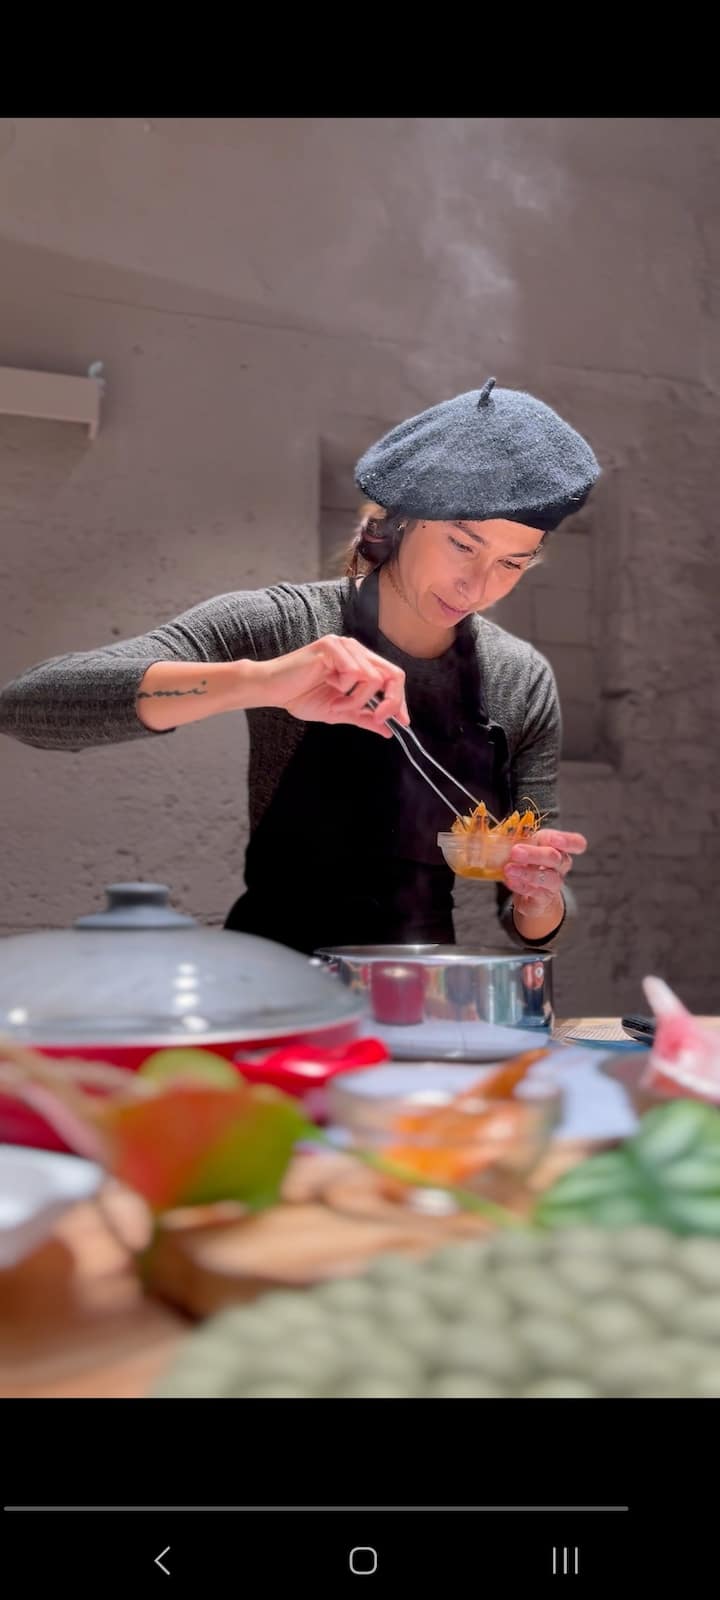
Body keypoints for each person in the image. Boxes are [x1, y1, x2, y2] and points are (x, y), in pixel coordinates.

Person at [0, 378, 599, 955]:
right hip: (275, 981)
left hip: (419, 989)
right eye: (463, 545)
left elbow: (534, 916)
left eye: (511, 563)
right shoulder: (284, 625)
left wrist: (539, 895)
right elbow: (30, 704)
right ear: (402, 520)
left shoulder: (519, 678)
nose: (478, 586)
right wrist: (259, 681)